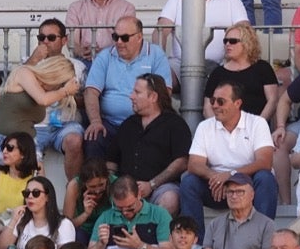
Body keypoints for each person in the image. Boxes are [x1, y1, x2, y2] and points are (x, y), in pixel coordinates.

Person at [180, 86, 278, 237]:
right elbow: (194, 164)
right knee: (188, 182)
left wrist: (230, 176)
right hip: (217, 189)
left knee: (265, 178)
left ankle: (261, 238)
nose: (214, 106)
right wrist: (217, 178)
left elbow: (265, 162)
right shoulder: (205, 126)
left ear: (237, 103)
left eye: (221, 101)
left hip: (248, 185)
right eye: (212, 101)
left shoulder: (257, 123)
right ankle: (197, 243)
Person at [83, 16, 172, 158]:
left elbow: (164, 93)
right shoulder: (105, 56)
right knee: (94, 138)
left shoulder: (156, 55)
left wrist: (145, 120)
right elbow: (90, 92)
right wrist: (95, 121)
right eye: (115, 37)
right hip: (109, 123)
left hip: (142, 122)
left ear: (139, 37)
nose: (118, 42)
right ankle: (95, 180)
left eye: (124, 38)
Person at [105, 73, 190, 217]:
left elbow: (182, 161)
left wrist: (151, 185)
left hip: (161, 188)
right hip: (125, 190)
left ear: (153, 97)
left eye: (137, 92)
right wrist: (115, 186)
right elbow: (111, 163)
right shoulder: (128, 125)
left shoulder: (175, 124)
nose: (131, 96)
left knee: (170, 199)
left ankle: (156, 238)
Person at [156, 0, 249, 83]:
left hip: (223, 64)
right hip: (180, 64)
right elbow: (161, 29)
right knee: (161, 80)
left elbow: (245, 31)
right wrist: (159, 60)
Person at [0, 59, 79, 177]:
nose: (60, 87)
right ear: (56, 76)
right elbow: (42, 99)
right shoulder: (24, 72)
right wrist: (65, 91)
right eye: (61, 83)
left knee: (38, 186)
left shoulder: (47, 92)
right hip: (1, 140)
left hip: (27, 143)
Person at [24, 18, 87, 183]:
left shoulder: (77, 66)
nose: (45, 42)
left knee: (74, 140)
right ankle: (39, 196)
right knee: (26, 144)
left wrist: (66, 94)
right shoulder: (30, 64)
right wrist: (34, 60)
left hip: (67, 123)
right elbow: (17, 94)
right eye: (41, 38)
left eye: (51, 38)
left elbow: (86, 100)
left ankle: (73, 194)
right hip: (37, 124)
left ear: (64, 40)